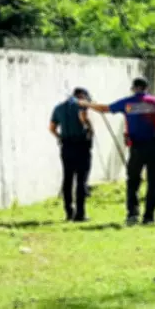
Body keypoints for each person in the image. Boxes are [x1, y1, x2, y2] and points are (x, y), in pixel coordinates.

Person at [85, 77, 155, 226]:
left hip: (137, 146)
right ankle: (149, 217)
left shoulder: (128, 103)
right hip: (154, 144)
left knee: (133, 180)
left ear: (133, 88)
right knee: (153, 182)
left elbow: (105, 109)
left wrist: (87, 104)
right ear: (146, 88)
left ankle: (133, 215)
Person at [50, 88, 93, 222]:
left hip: (66, 146)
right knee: (81, 179)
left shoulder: (58, 108)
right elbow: (83, 119)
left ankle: (69, 211)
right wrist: (90, 128)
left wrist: (60, 137)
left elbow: (52, 128)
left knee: (67, 178)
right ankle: (80, 214)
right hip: (81, 146)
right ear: (82, 96)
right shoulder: (81, 105)